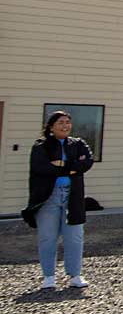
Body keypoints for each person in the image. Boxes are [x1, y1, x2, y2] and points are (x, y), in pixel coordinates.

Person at [22, 111, 94, 289]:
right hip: (48, 196)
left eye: (68, 122)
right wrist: (72, 166)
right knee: (47, 237)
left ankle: (75, 275)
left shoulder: (78, 144)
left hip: (73, 195)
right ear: (51, 126)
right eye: (61, 122)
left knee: (74, 237)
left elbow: (87, 163)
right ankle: (48, 276)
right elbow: (41, 167)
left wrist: (61, 164)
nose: (65, 125)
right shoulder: (41, 146)